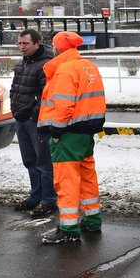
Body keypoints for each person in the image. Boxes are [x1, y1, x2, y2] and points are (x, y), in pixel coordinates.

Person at [37, 31, 106, 244]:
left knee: (66, 182)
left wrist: (56, 132)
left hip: (67, 134)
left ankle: (68, 229)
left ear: (58, 48)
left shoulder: (64, 70)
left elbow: (64, 106)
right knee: (87, 178)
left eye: (53, 46)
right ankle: (92, 221)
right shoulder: (89, 67)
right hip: (86, 133)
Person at [10, 29, 57, 217]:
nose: (22, 47)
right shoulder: (21, 65)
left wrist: (33, 113)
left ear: (37, 43)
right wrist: (15, 110)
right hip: (22, 120)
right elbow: (15, 90)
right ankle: (35, 196)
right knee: (30, 161)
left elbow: (47, 95)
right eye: (20, 43)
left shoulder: (45, 65)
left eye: (26, 43)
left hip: (36, 122)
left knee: (44, 163)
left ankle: (49, 200)